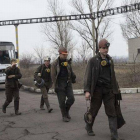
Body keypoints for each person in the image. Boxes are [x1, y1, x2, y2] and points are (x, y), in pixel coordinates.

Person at [84, 39, 123, 140]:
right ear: (99, 48)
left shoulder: (110, 60)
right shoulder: (93, 61)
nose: (106, 50)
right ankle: (88, 127)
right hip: (97, 90)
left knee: (112, 112)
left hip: (108, 90)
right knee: (94, 110)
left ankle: (114, 136)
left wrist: (116, 88)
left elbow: (112, 76)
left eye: (107, 48)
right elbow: (88, 76)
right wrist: (87, 91)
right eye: (104, 48)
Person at [51, 47, 76, 122]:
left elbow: (71, 72)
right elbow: (53, 76)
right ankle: (64, 115)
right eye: (64, 55)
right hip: (59, 84)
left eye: (66, 54)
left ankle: (66, 111)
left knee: (71, 98)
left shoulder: (68, 62)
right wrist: (55, 86)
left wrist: (73, 78)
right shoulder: (54, 64)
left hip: (68, 83)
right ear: (60, 54)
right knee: (61, 101)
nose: (65, 56)